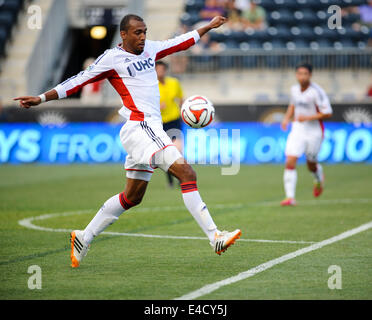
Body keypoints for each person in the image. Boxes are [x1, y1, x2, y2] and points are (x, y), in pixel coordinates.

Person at [14, 14, 241, 268]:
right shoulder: (112, 58)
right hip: (140, 127)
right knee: (187, 173)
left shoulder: (151, 49)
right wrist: (41, 98)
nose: (143, 37)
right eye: (137, 33)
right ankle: (215, 237)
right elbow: (78, 80)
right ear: (124, 34)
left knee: (132, 197)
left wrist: (207, 27)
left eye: (145, 31)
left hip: (147, 129)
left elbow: (181, 42)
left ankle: (84, 236)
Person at [280, 63, 333, 206]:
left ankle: (318, 176)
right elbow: (292, 105)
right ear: (296, 75)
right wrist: (286, 118)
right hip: (298, 129)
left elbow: (328, 112)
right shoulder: (294, 90)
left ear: (310, 75)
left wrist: (307, 118)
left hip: (314, 132)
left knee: (311, 164)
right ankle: (290, 197)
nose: (302, 76)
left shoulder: (317, 92)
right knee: (290, 159)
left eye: (305, 74)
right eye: (299, 73)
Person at [155, 60, 184, 188]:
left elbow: (181, 97)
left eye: (162, 69)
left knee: (177, 150)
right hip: (160, 123)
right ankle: (170, 181)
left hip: (175, 120)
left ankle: (181, 178)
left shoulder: (174, 83)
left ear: (165, 70)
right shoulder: (151, 86)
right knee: (165, 153)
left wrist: (183, 110)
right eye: (157, 69)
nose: (160, 72)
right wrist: (157, 106)